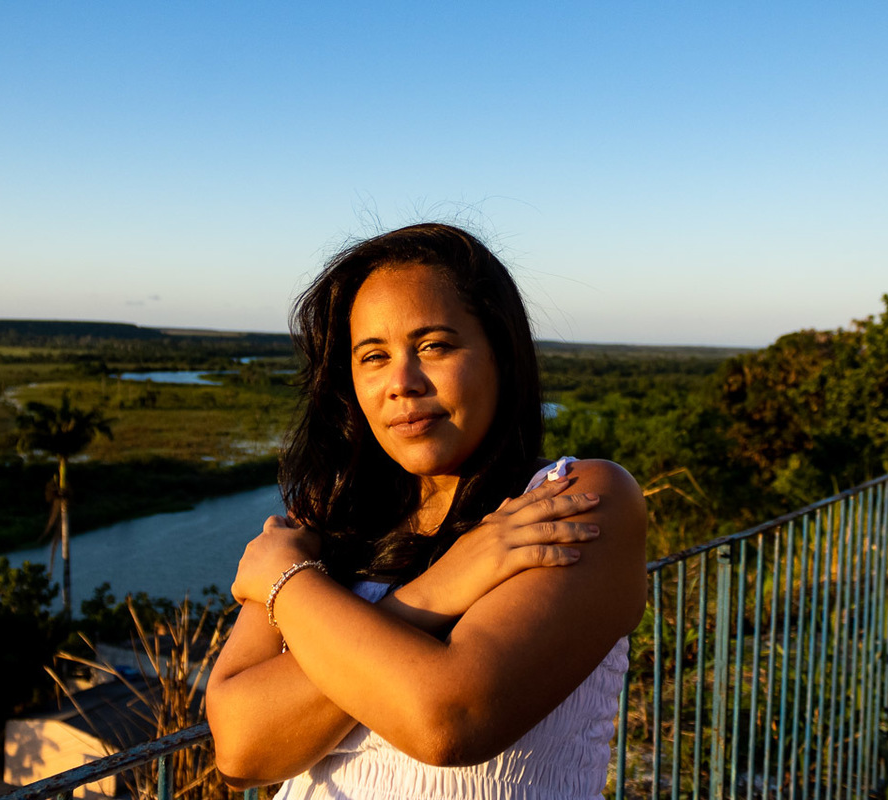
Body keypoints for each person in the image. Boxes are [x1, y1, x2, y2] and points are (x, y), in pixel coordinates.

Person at [206, 223, 647, 799]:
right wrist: (442, 588)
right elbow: (240, 750)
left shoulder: (574, 498)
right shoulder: (327, 521)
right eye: (372, 356)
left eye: (435, 346)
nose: (402, 383)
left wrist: (283, 585)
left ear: (501, 352)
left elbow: (448, 721)